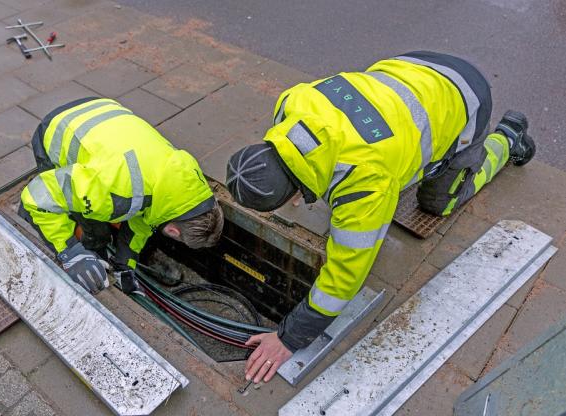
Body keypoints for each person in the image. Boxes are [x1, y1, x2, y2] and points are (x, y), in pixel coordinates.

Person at [225, 51, 535, 383]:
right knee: (387, 167)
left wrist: (289, 338)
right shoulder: (292, 102)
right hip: (409, 67)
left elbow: (344, 279)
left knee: (437, 204)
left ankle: (506, 139)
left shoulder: (366, 184)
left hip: (463, 99)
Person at [20, 97, 224, 294]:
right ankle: (89, 249)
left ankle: (102, 255)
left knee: (97, 210)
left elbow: (144, 223)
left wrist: (125, 264)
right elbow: (36, 197)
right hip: (59, 128)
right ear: (172, 231)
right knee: (91, 223)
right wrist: (69, 252)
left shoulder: (186, 182)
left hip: (103, 109)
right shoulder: (112, 192)